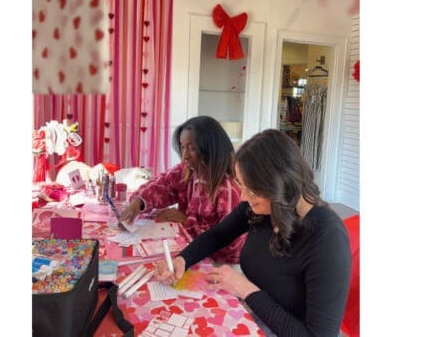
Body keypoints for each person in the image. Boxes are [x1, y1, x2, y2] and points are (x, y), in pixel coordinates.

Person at [154, 129, 351, 337]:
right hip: (254, 316)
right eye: (242, 186)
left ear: (279, 185)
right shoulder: (266, 206)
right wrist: (182, 260)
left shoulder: (328, 239)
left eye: (252, 190)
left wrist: (245, 289)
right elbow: (218, 235)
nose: (243, 198)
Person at [119, 116, 245, 264]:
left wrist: (187, 221)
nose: (184, 156)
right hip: (191, 250)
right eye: (183, 147)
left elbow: (230, 245)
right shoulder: (188, 171)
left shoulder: (227, 189)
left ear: (209, 148)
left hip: (219, 263)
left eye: (192, 148)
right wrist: (138, 202)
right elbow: (163, 184)